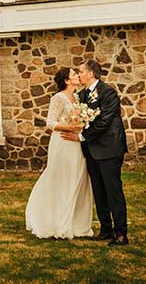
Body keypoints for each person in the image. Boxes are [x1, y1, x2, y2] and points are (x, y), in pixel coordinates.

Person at [60, 59, 129, 246]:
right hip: (91, 151)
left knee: (113, 191)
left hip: (109, 149)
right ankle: (106, 229)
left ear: (90, 73)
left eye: (81, 71)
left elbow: (104, 122)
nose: (79, 74)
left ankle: (121, 233)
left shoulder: (108, 93)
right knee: (99, 192)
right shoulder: (81, 95)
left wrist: (81, 137)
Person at [25, 67, 93, 239]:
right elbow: (50, 123)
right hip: (63, 141)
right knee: (62, 177)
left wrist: (80, 127)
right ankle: (54, 220)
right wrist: (71, 127)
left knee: (77, 177)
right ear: (66, 81)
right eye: (73, 74)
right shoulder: (58, 98)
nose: (78, 75)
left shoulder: (78, 97)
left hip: (76, 142)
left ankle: (76, 223)